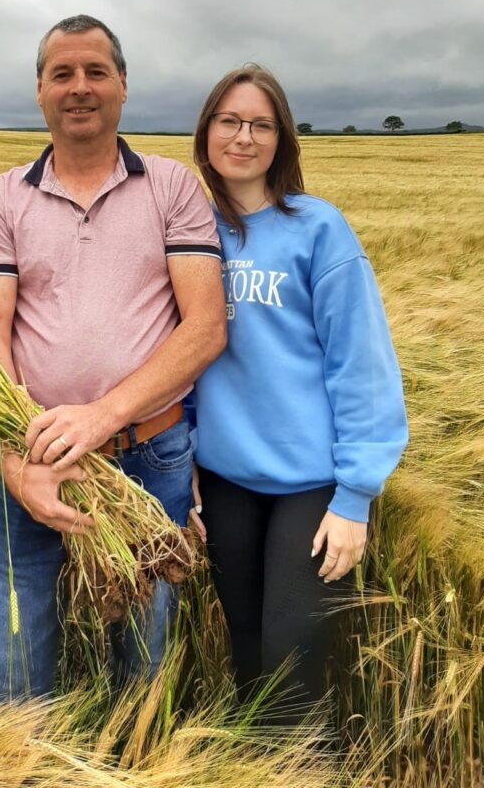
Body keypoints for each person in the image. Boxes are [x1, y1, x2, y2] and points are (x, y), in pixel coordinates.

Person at [0, 15, 226, 698]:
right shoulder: (0, 199)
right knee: (15, 667)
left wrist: (102, 416)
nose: (79, 87)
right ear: (40, 91)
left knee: (141, 665)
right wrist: (14, 457)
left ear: (123, 86)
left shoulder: (172, 187)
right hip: (31, 454)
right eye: (62, 74)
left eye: (95, 72)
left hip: (149, 459)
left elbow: (203, 329)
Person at [191, 64, 408, 714]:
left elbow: (361, 362)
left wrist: (355, 496)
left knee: (292, 674)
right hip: (224, 481)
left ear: (282, 139)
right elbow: (175, 354)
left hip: (311, 488)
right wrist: (184, 458)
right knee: (248, 662)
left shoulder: (319, 229)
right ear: (206, 132)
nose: (244, 137)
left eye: (261, 124)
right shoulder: (190, 232)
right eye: (230, 121)